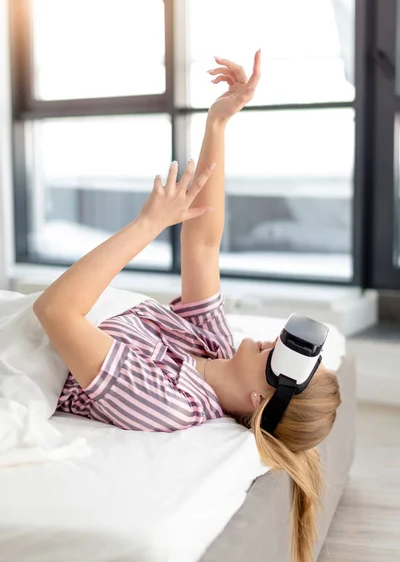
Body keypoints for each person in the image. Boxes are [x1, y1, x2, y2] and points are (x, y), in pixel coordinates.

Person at [34, 51, 341, 562]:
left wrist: (147, 226)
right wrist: (219, 120)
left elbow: (57, 313)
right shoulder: (214, 347)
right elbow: (202, 243)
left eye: (283, 358)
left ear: (258, 398)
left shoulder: (172, 403)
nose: (275, 342)